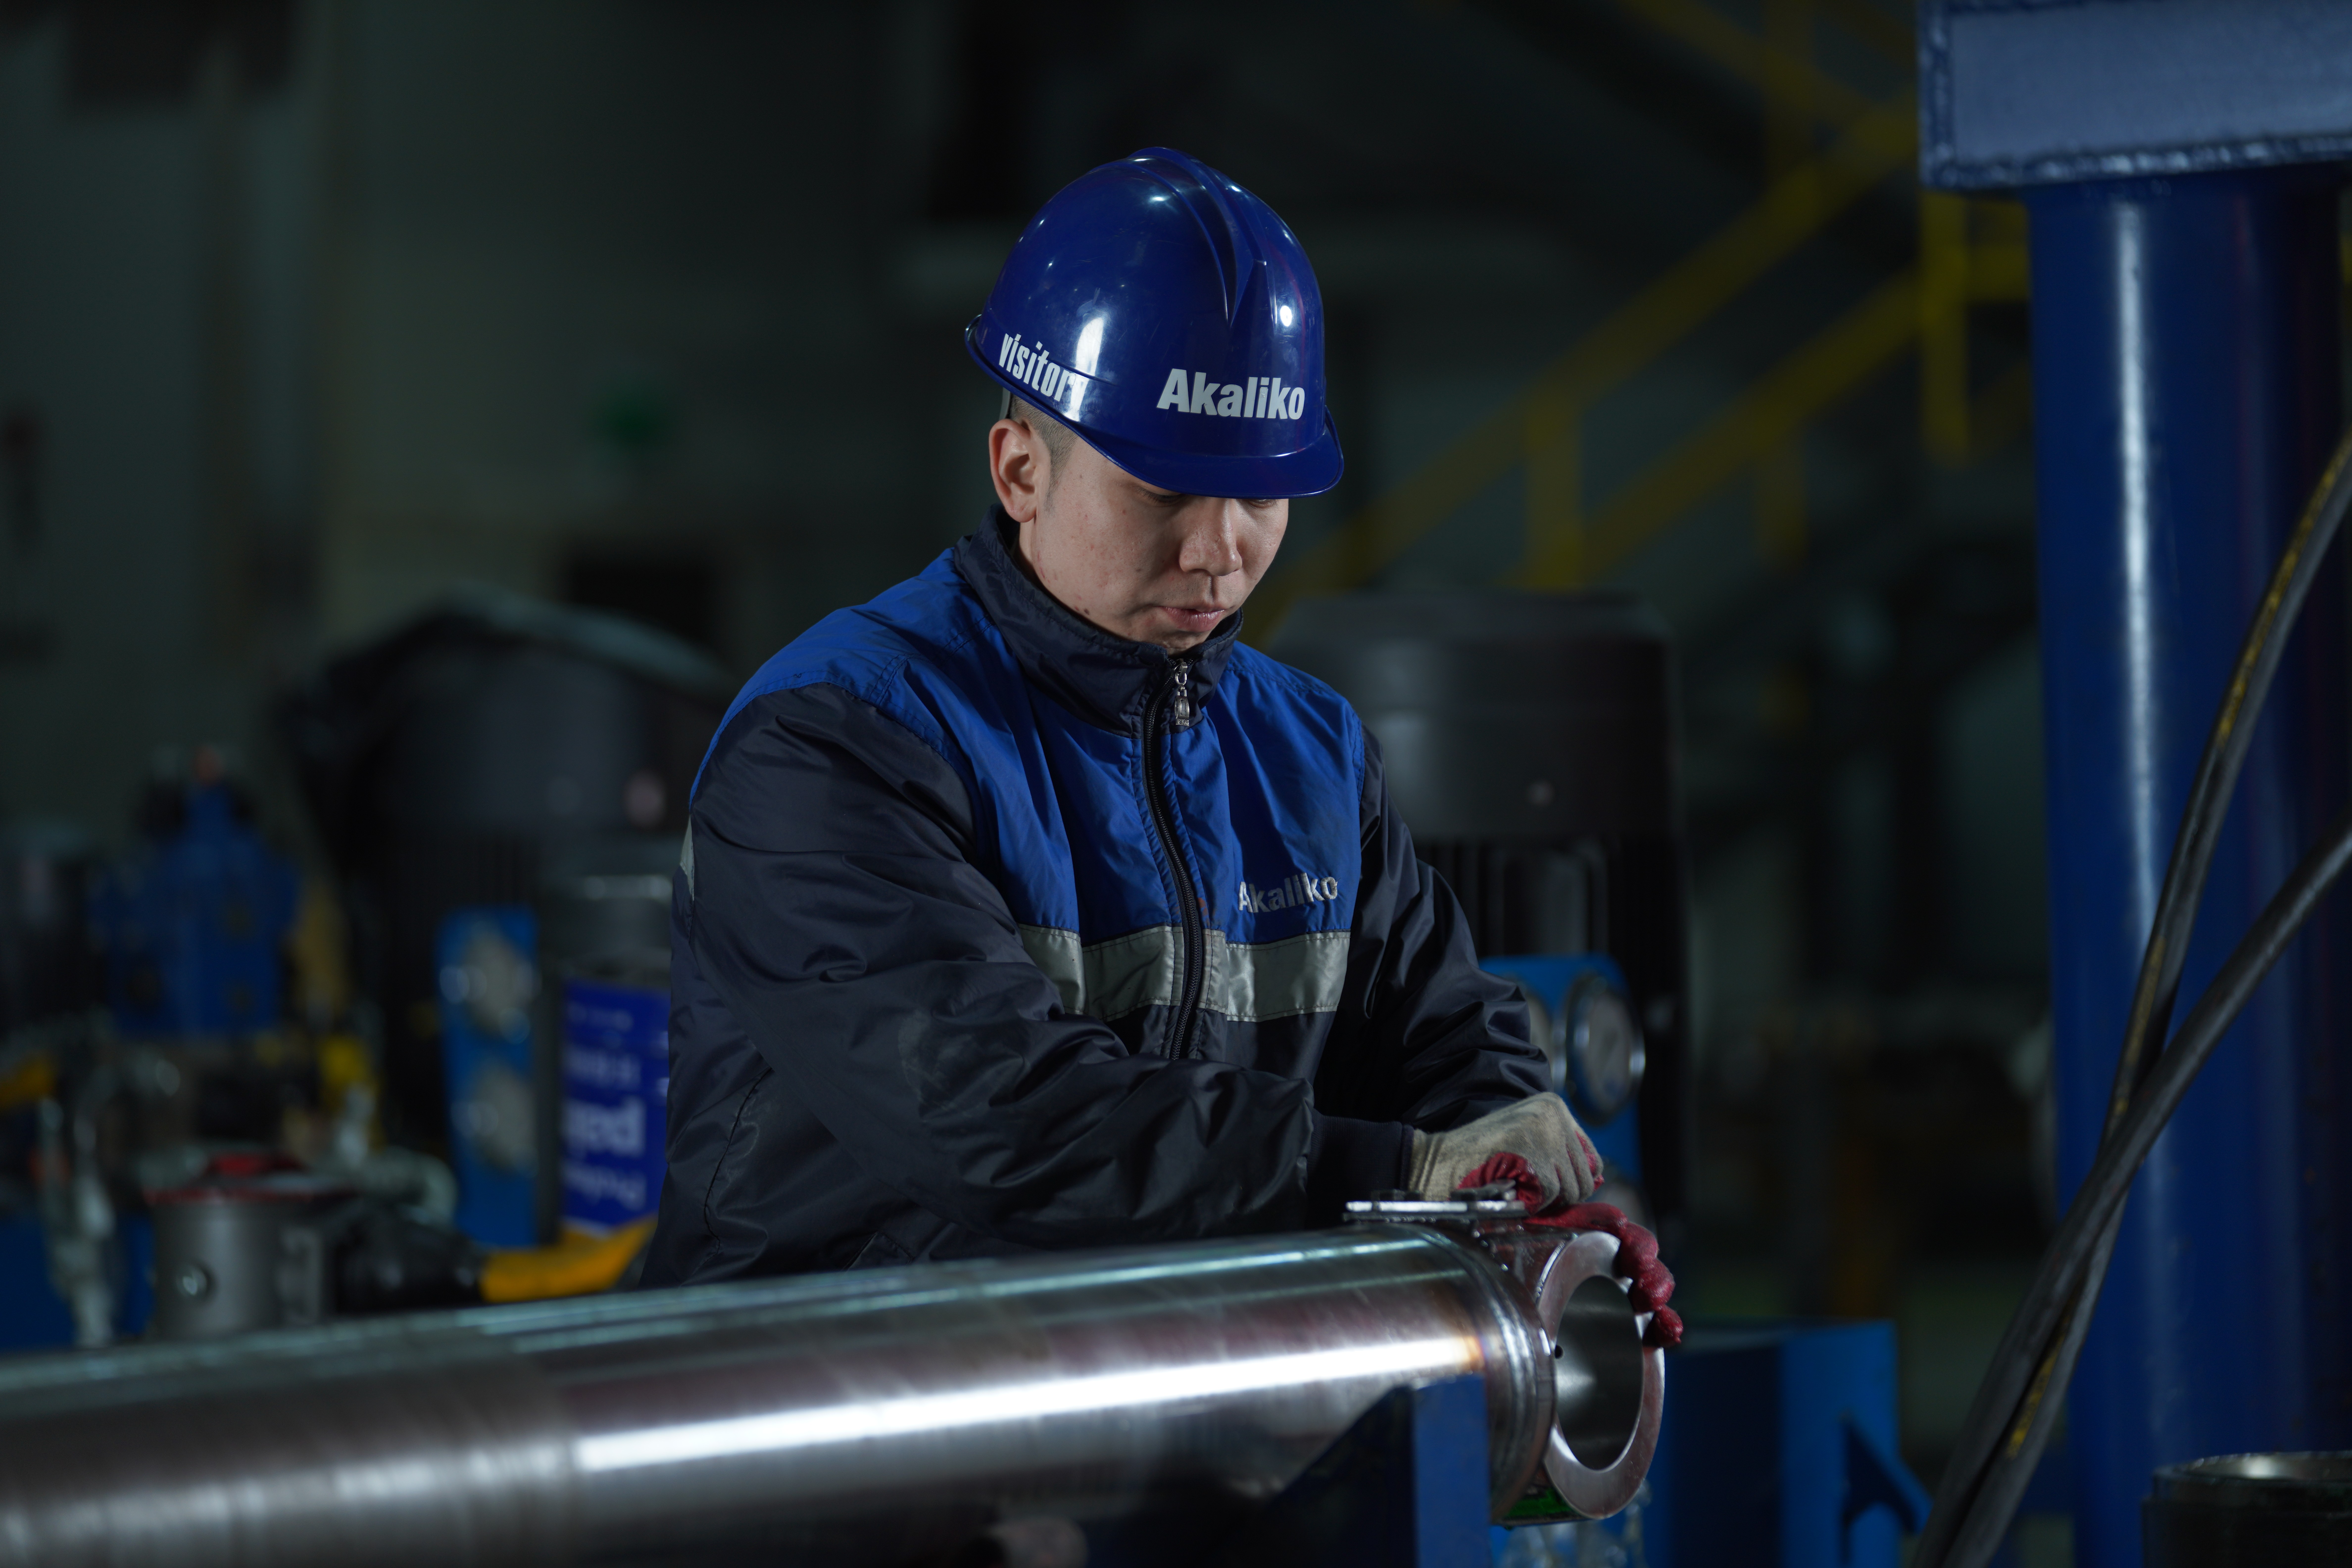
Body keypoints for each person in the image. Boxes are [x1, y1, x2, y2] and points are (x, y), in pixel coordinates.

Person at [643, 148, 1601, 1283]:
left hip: (1191, 1409)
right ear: (1019, 472)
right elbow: (1006, 1121)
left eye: (1259, 492)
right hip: (847, 1412)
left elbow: (1439, 1034)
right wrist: (1397, 1168)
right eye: (1162, 491)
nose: (1220, 549)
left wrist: (1511, 1151)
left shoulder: (1314, 759)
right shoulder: (834, 744)